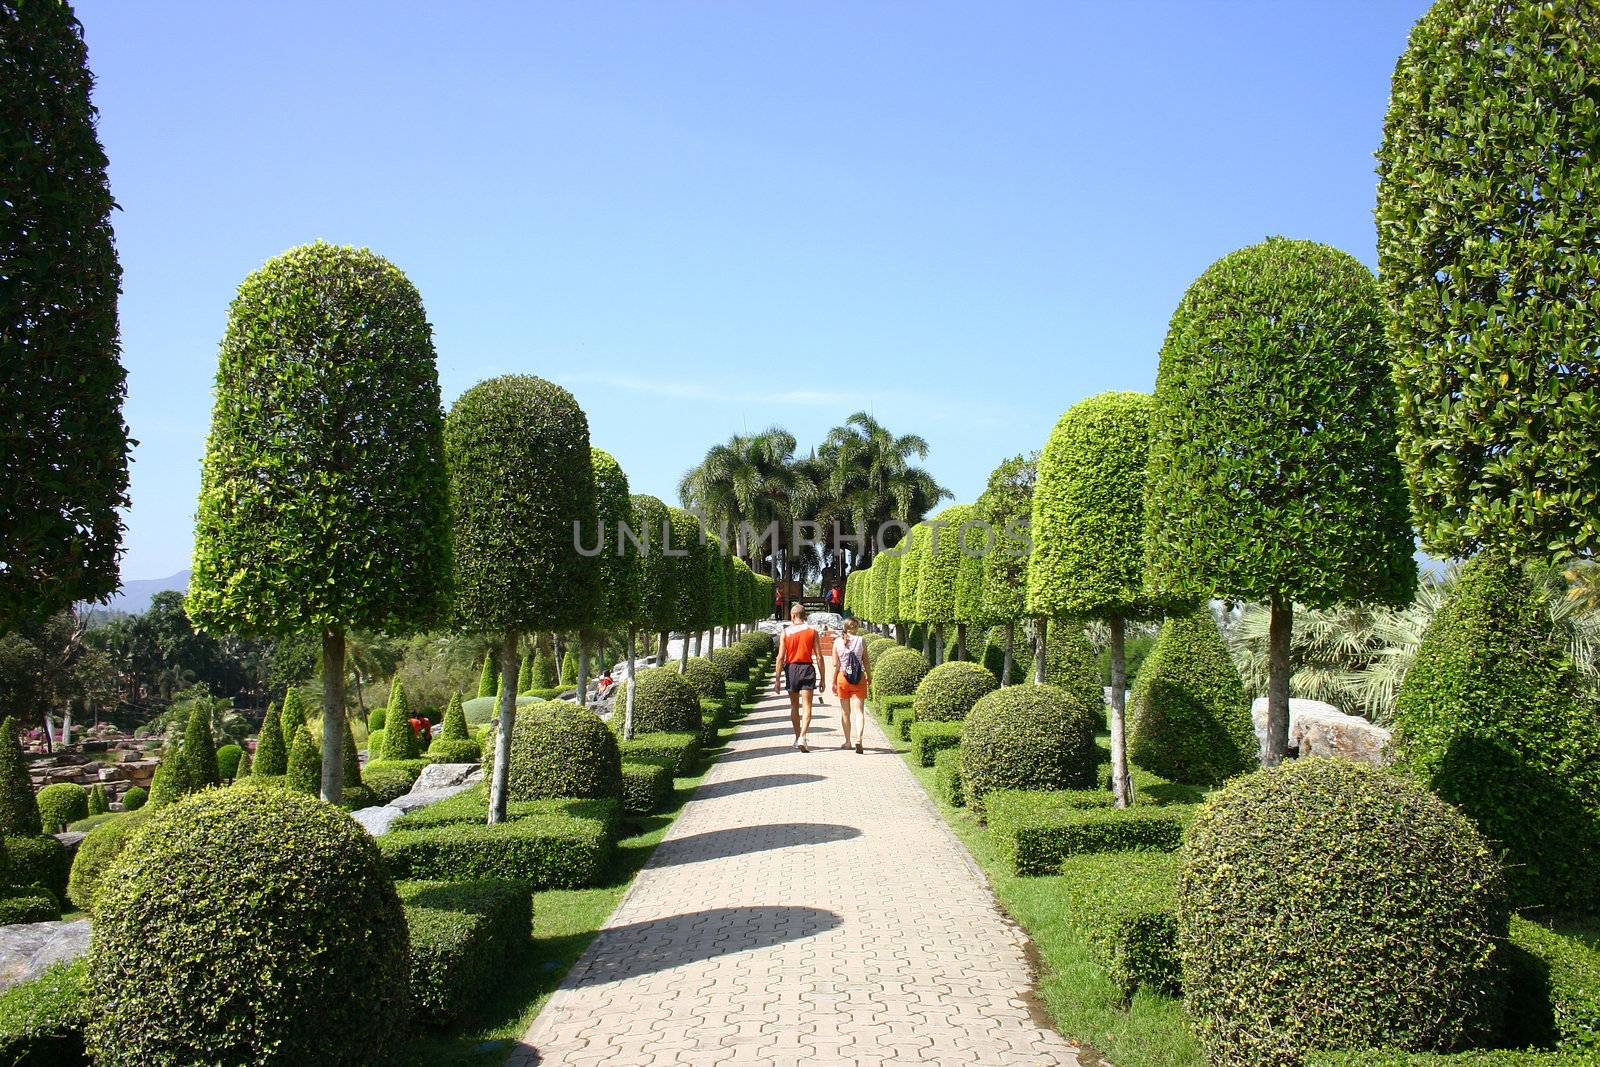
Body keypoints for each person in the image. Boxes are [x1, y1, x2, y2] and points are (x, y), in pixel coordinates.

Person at [773, 601, 825, 752]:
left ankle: (797, 738)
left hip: (792, 669)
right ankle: (803, 736)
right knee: (808, 706)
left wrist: (777, 680)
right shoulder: (812, 631)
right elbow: (820, 657)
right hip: (807, 668)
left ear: (793, 615)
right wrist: (822, 678)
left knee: (794, 706)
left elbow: (780, 657)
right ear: (805, 615)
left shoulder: (786, 632)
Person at [832, 618, 870, 753]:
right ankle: (859, 738)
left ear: (845, 627)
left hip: (843, 677)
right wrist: (869, 677)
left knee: (845, 712)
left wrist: (833, 682)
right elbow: (866, 662)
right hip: (858, 677)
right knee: (859, 711)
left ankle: (848, 741)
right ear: (857, 627)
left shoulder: (837, 641)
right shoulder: (861, 640)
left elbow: (836, 665)